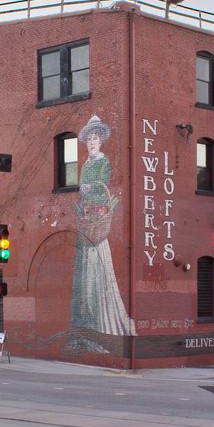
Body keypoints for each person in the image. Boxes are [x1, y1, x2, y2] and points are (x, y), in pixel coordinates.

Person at [70, 116, 135, 343]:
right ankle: (84, 323)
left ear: (101, 141)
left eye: (95, 138)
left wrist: (92, 195)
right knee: (84, 279)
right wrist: (85, 201)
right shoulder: (86, 164)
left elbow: (102, 189)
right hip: (86, 224)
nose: (92, 142)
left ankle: (102, 322)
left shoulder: (103, 162)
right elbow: (82, 190)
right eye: (89, 139)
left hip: (98, 223)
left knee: (98, 273)